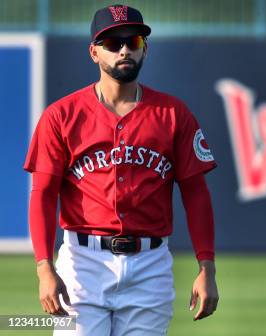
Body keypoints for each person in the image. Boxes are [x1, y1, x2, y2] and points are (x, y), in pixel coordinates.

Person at [23, 4, 219, 335]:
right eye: (113, 43)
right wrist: (44, 269)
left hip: (149, 266)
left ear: (146, 49)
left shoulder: (173, 114)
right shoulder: (62, 116)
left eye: (134, 41)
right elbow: (43, 194)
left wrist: (207, 267)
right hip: (83, 264)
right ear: (94, 53)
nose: (125, 49)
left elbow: (196, 194)